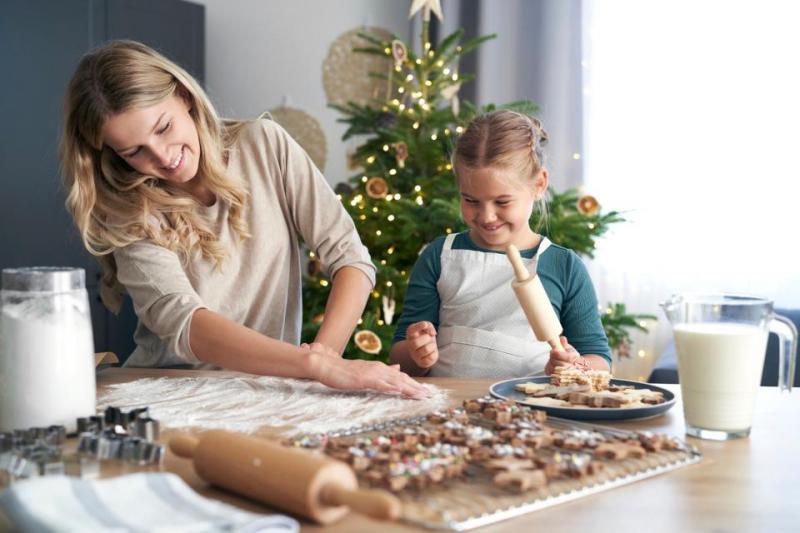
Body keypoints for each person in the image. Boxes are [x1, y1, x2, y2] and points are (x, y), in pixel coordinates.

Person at [59, 40, 428, 398]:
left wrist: (322, 362)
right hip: (173, 392)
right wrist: (315, 366)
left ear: (184, 96)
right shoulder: (125, 210)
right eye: (135, 151)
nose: (162, 156)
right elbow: (186, 324)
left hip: (275, 388)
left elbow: (350, 258)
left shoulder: (265, 145)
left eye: (163, 128)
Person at [390, 110, 611, 378]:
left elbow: (599, 361)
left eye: (502, 202)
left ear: (539, 184)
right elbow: (400, 355)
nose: (486, 216)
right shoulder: (439, 255)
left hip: (530, 408)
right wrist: (417, 354)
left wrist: (576, 366)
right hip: (449, 407)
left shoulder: (564, 266)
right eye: (471, 200)